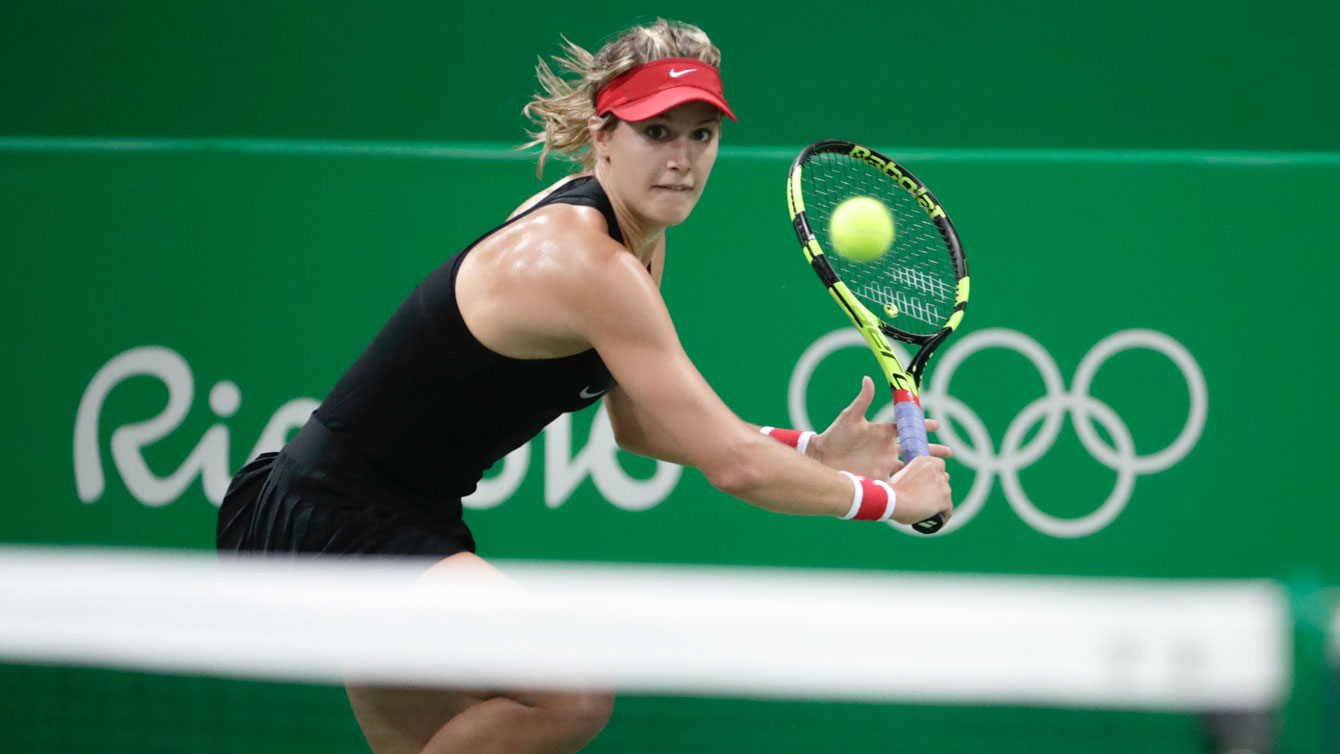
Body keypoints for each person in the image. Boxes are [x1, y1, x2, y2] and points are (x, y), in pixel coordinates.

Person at [216, 17, 953, 754]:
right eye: (656, 133)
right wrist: (889, 500)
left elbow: (639, 429)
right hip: (331, 520)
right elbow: (731, 464)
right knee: (569, 690)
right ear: (603, 137)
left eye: (702, 135)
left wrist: (810, 452)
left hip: (394, 516)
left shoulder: (636, 241)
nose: (684, 160)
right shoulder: (585, 264)